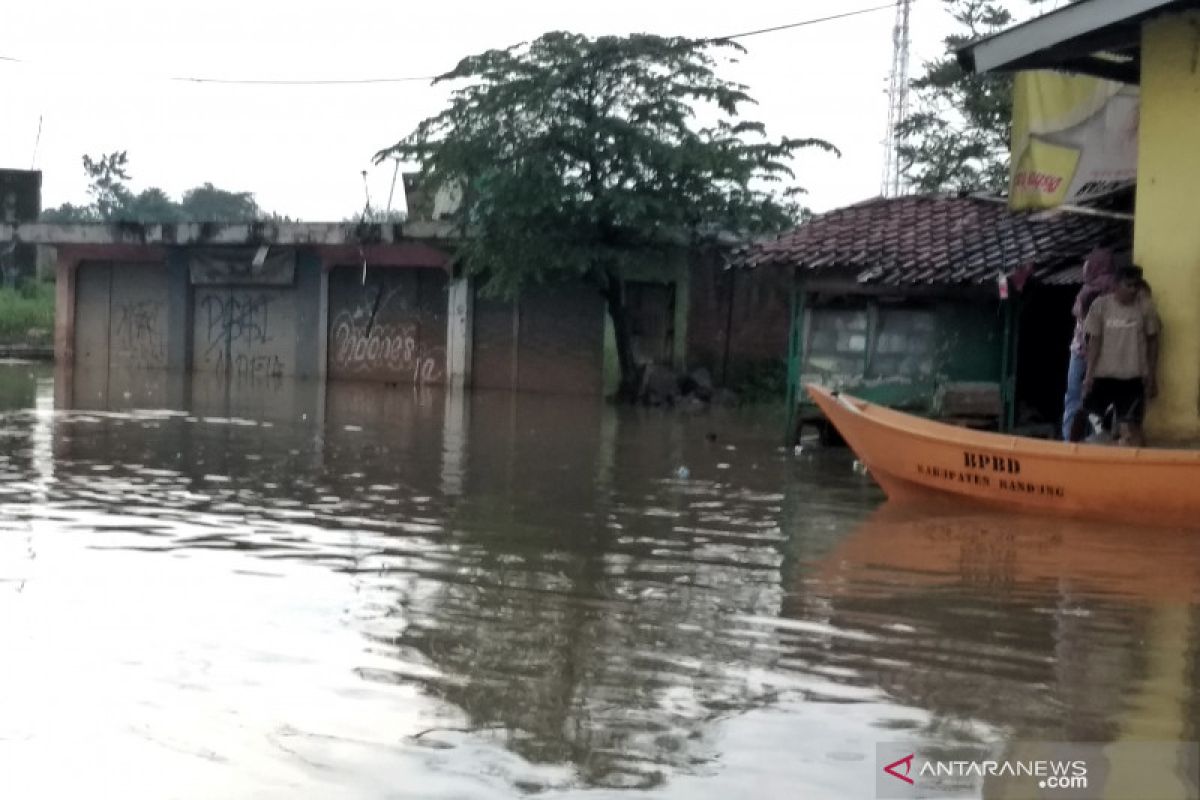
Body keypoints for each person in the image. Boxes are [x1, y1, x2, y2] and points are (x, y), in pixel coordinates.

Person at [1068, 265, 1161, 446]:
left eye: (1136, 286)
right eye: (1129, 285)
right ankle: (1068, 452)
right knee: (1089, 421)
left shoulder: (1145, 308)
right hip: (1103, 377)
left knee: (1132, 430)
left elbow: (1154, 342)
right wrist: (1088, 376)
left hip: (1132, 379)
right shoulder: (1101, 306)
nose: (1133, 290)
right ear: (1116, 285)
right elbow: (1094, 342)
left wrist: (1151, 375)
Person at [1062, 249, 1117, 440]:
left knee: (1075, 397)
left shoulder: (1089, 291)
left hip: (1083, 351)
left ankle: (1070, 440)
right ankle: (1096, 439)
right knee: (1098, 401)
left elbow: (1082, 321)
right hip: (1105, 353)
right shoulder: (1115, 290)